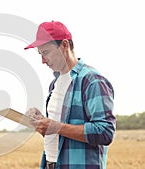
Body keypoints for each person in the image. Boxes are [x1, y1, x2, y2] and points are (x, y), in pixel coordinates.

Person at [24, 21, 116, 169]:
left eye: (46, 52)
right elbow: (59, 134)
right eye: (40, 54)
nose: (42, 61)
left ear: (65, 45)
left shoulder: (92, 81)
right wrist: (42, 124)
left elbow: (105, 132)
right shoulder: (54, 84)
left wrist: (55, 127)